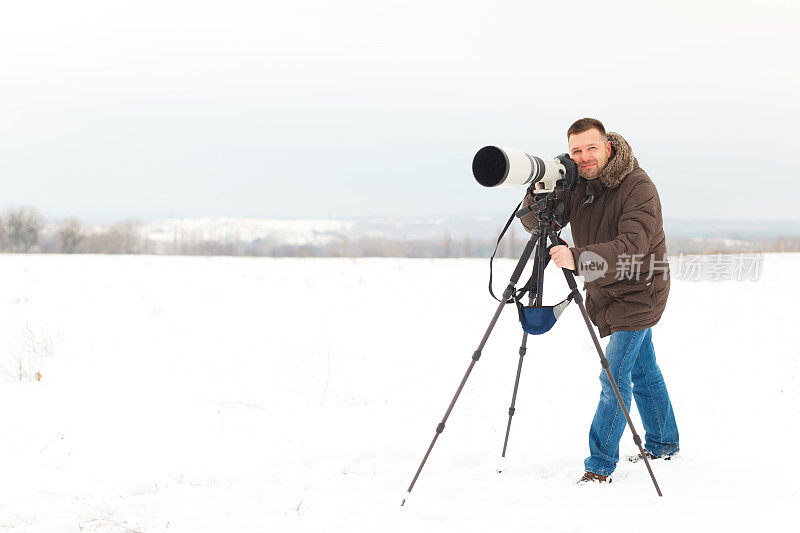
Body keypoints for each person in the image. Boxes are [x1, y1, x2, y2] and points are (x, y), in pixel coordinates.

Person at [520, 118, 679, 483]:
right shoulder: (579, 185)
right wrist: (537, 194)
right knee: (643, 369)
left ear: (608, 146)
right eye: (576, 151)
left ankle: (599, 466)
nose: (584, 157)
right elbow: (538, 223)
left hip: (640, 290)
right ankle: (665, 442)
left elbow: (635, 246)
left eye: (591, 148)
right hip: (605, 289)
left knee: (614, 375)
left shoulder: (638, 186)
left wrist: (579, 258)